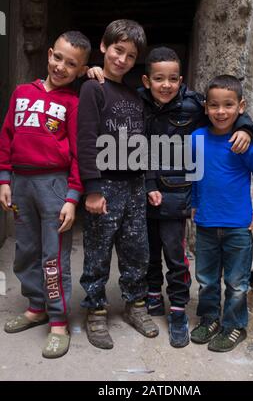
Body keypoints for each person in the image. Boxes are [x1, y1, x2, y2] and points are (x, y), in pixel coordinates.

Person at [139, 48, 253, 349]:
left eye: (172, 79)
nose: (165, 85)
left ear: (181, 81)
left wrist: (247, 127)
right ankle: (153, 295)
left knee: (175, 252)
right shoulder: (136, 101)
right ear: (146, 80)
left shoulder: (193, 105)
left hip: (178, 194)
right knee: (145, 249)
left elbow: (226, 110)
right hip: (142, 185)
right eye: (158, 79)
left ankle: (179, 309)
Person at [0, 31, 90, 358]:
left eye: (72, 64)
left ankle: (57, 320)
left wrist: (72, 197)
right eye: (58, 58)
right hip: (21, 183)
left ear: (81, 70)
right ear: (50, 53)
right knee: (25, 250)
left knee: (53, 255)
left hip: (54, 185)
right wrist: (4, 178)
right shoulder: (22, 92)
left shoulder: (73, 104)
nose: (61, 67)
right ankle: (36, 306)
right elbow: (7, 136)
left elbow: (81, 153)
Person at [77, 19, 159, 350]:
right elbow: (85, 140)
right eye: (117, 50)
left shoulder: (135, 96)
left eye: (129, 55)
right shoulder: (91, 88)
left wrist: (148, 181)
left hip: (135, 186)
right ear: (103, 47)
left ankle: (135, 305)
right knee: (97, 251)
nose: (121, 59)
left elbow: (143, 143)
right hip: (105, 185)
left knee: (136, 250)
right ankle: (95, 310)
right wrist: (92, 189)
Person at [190, 74, 253, 352]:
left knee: (236, 283)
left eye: (227, 105)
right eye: (214, 105)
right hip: (206, 224)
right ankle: (209, 319)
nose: (220, 112)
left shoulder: (243, 141)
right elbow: (196, 175)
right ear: (206, 107)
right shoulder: (197, 138)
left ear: (241, 106)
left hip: (238, 226)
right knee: (207, 279)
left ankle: (235, 325)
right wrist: (194, 203)